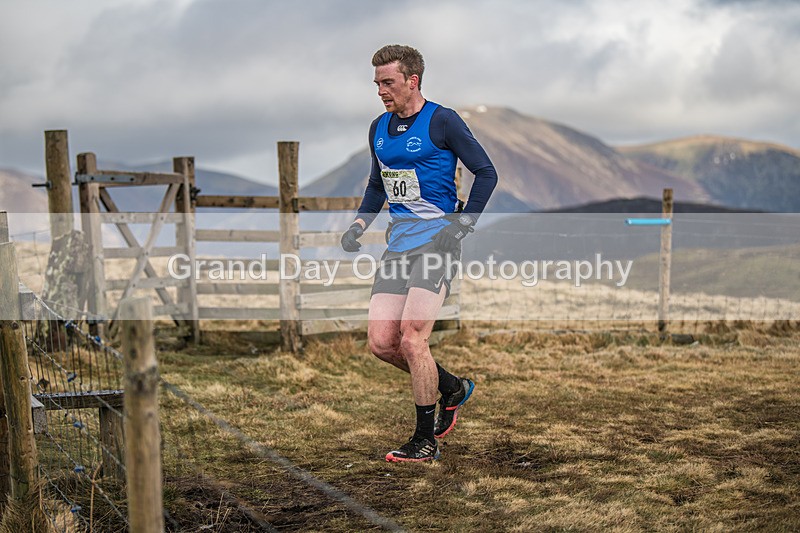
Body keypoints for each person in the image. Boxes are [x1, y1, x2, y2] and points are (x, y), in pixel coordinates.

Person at [341, 44, 497, 462]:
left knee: (413, 339)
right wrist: (359, 224)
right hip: (399, 245)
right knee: (381, 343)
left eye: (387, 82)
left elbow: (486, 173)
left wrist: (462, 225)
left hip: (437, 242)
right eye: (376, 84)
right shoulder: (378, 126)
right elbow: (378, 185)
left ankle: (424, 441)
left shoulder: (442, 121)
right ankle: (452, 388)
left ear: (413, 80)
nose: (380, 91)